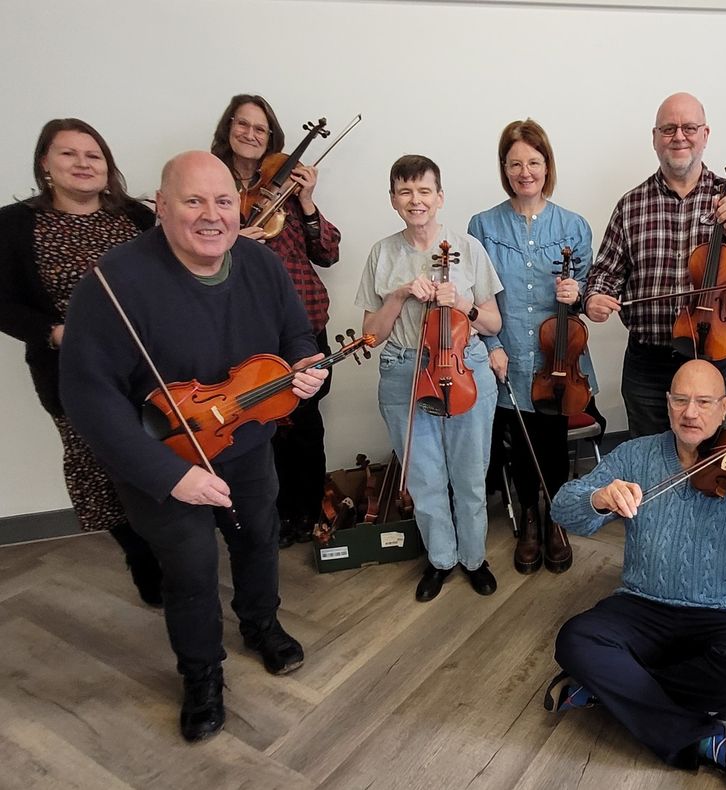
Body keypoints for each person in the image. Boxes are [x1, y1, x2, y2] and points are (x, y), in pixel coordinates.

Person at [58, 151, 328, 742]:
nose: (213, 216)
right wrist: (166, 473)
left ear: (240, 206)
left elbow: (298, 336)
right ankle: (201, 673)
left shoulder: (261, 263)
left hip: (246, 441)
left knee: (259, 539)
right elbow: (86, 394)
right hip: (164, 463)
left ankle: (260, 624)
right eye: (194, 201)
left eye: (224, 201)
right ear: (161, 206)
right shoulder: (115, 279)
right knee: (191, 570)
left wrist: (308, 367)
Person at [546, 359, 726, 790]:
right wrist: (599, 498)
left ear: (725, 406)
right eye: (680, 400)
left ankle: (611, 689)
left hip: (724, 613)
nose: (690, 413)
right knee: (575, 639)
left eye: (704, 401)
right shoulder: (637, 455)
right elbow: (563, 506)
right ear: (668, 403)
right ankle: (705, 738)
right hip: (640, 605)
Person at [0, 119, 160, 604]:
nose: (84, 163)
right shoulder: (13, 224)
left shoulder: (135, 217)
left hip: (146, 366)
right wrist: (54, 332)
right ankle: (139, 553)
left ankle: (168, 545)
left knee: (155, 455)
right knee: (96, 466)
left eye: (93, 155)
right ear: (45, 164)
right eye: (69, 154)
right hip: (73, 368)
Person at [584, 92, 726, 437]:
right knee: (649, 460)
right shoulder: (631, 204)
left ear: (705, 134)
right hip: (649, 363)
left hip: (716, 356)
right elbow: (606, 271)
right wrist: (595, 296)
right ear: (655, 138)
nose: (679, 136)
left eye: (689, 127)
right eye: (668, 128)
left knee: (718, 462)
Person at [357, 155, 503, 603]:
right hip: (405, 369)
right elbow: (371, 336)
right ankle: (441, 559)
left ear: (440, 197)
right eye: (405, 191)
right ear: (393, 200)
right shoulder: (383, 253)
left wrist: (462, 304)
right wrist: (399, 295)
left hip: (464, 369)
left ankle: (474, 558)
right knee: (423, 477)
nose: (415, 200)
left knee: (470, 473)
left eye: (424, 191)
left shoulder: (468, 248)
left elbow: (493, 323)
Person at [210, 94, 342, 547]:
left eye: (260, 128)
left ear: (272, 137)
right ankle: (266, 515)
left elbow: (327, 252)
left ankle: (305, 513)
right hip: (244, 328)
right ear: (228, 128)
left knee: (305, 425)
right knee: (258, 428)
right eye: (242, 124)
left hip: (302, 321)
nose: (250, 134)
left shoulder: (284, 184)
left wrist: (306, 201)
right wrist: (231, 240)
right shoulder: (212, 185)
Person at [468, 119, 593, 575]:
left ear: (547, 165)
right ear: (505, 168)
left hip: (559, 357)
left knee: (553, 441)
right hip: (506, 354)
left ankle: (554, 517)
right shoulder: (481, 225)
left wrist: (574, 293)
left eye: (534, 162)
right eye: (516, 163)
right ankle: (528, 522)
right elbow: (476, 294)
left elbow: (587, 289)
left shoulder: (574, 226)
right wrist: (491, 343)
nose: (525, 172)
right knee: (519, 441)